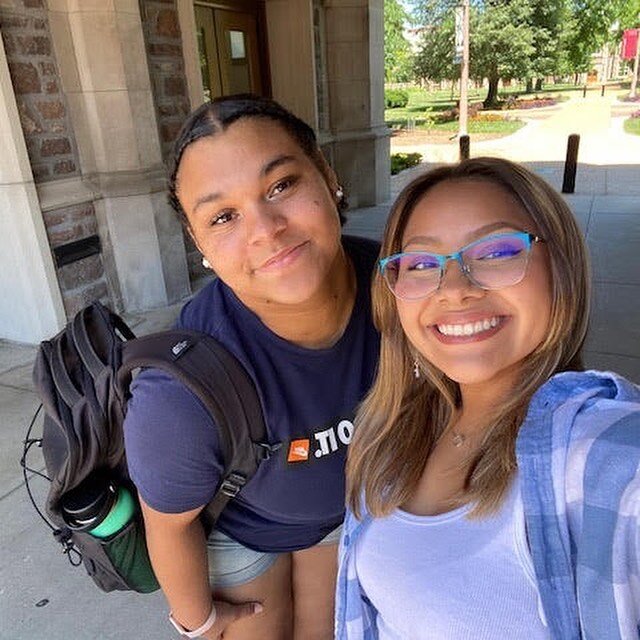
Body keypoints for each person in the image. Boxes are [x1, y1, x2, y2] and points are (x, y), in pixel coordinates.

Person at [335, 157, 640, 639]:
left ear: (560, 266)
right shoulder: (393, 431)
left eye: (496, 251)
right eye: (420, 263)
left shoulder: (605, 457)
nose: (454, 289)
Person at [123, 95, 379, 640]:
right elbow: (168, 526)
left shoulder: (405, 287)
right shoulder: (180, 393)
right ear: (200, 243)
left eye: (281, 185)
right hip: (239, 533)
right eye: (223, 216)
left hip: (340, 516)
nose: (265, 228)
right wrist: (199, 621)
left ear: (326, 174)